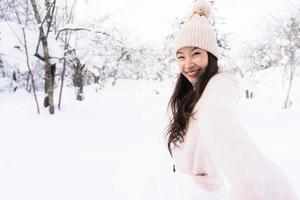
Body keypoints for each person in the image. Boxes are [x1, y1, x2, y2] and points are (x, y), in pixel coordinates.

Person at [165, 1, 298, 199]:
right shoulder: (193, 90)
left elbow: (221, 124)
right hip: (187, 187)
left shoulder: (221, 83)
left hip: (201, 193)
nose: (187, 64)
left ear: (210, 55)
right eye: (181, 56)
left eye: (196, 53)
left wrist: (248, 178)